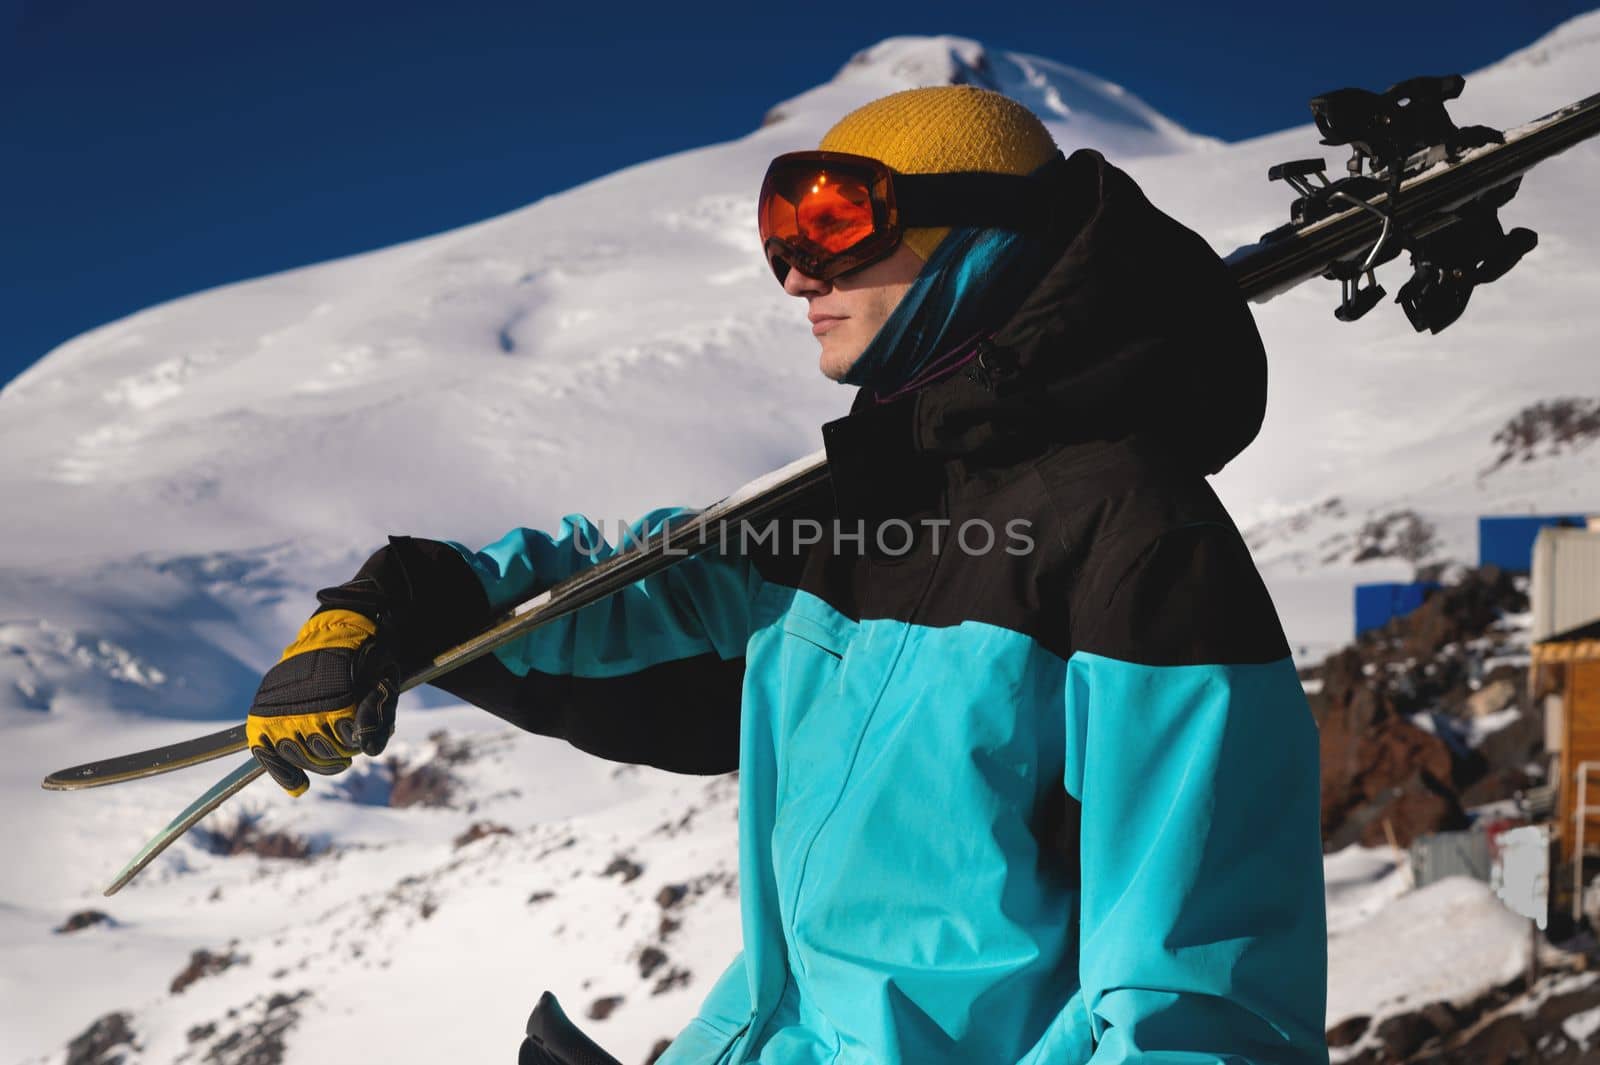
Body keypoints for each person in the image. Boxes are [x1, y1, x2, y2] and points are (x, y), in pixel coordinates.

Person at [245, 86, 1331, 1064]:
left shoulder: (1133, 535)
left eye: (837, 223)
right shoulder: (842, 513)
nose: (799, 272)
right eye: (779, 237)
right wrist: (400, 607)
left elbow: (1202, 1011)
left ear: (980, 237)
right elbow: (624, 600)